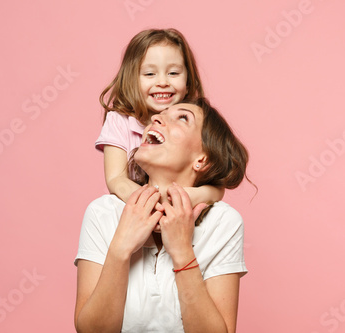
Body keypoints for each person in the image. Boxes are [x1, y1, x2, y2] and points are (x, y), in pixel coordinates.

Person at [74, 98, 251, 332]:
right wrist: (120, 248)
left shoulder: (223, 223)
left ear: (202, 160)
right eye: (160, 114)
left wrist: (182, 252)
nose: (155, 118)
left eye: (182, 117)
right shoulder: (102, 213)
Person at [96, 28, 224, 206]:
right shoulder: (120, 121)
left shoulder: (195, 122)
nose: (162, 82)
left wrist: (190, 197)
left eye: (173, 73)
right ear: (131, 80)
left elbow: (217, 188)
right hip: (136, 212)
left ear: (187, 82)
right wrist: (154, 206)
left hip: (180, 212)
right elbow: (116, 179)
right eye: (149, 74)